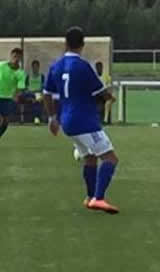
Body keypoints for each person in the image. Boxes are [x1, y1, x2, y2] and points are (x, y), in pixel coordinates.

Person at [44, 27, 119, 214]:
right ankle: (99, 198)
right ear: (82, 45)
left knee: (90, 158)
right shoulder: (83, 66)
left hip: (67, 121)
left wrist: (53, 117)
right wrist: (109, 96)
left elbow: (47, 95)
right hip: (84, 120)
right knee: (110, 158)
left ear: (65, 43)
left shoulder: (56, 66)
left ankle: (89, 196)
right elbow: (99, 92)